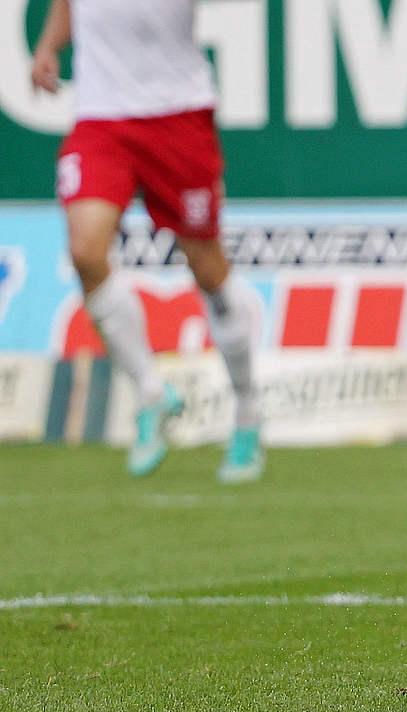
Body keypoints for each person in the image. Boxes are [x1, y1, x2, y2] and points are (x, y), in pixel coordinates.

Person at [31, 0, 263, 482]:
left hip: (176, 115)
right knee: (85, 252)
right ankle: (151, 393)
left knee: (207, 268)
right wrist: (50, 46)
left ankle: (247, 411)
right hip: (100, 119)